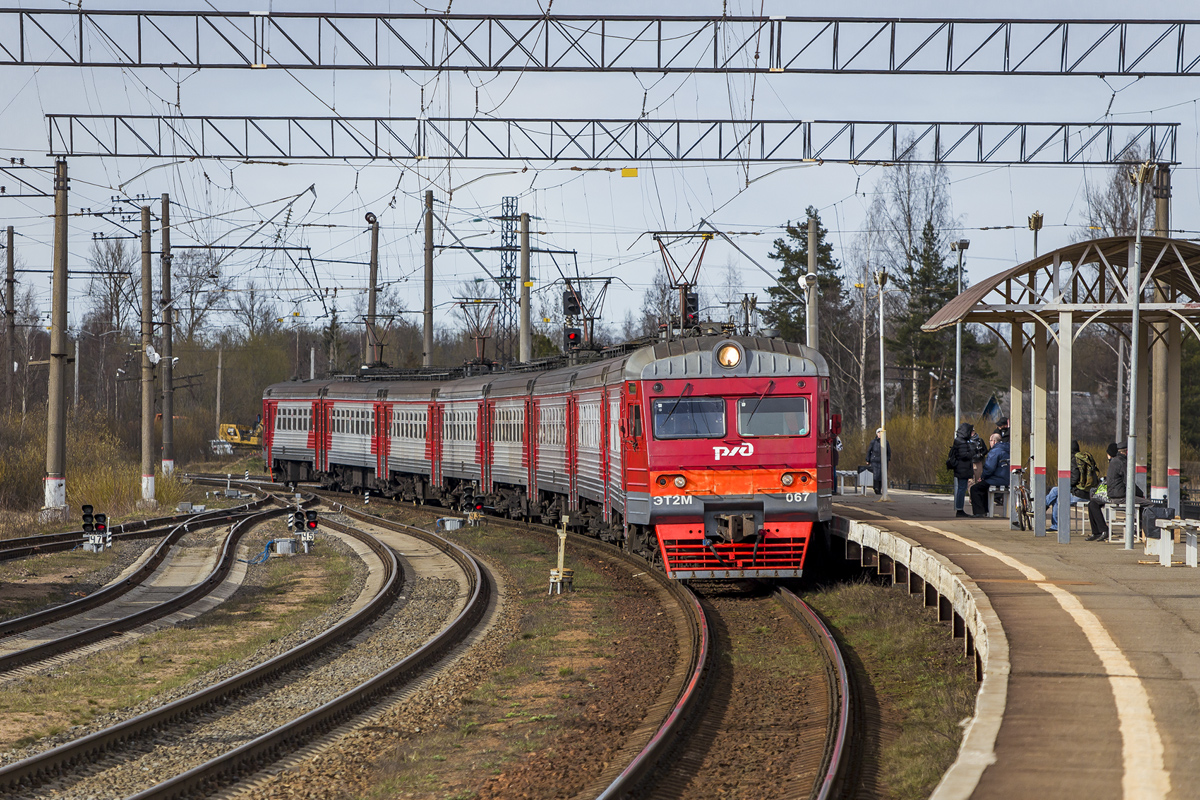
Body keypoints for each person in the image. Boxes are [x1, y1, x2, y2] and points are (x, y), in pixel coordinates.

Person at [1087, 442, 1143, 541]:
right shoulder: (1122, 462)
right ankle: (1142, 530)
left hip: (1113, 494)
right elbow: (1128, 482)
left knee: (1092, 503)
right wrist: (1140, 494)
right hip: (1117, 495)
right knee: (1148, 503)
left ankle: (1102, 531)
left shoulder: (1115, 462)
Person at [1045, 440, 1091, 532]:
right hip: (1085, 492)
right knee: (1055, 492)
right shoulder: (1082, 459)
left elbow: (1074, 479)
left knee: (1057, 495)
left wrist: (1064, 485)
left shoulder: (1074, 460)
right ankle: (1044, 510)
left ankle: (1041, 509)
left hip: (1079, 493)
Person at [970, 432, 1010, 516]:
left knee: (975, 488)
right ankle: (985, 511)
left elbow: (989, 468)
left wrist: (983, 476)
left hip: (997, 479)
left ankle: (980, 512)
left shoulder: (995, 451)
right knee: (983, 487)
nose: (990, 443)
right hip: (1007, 479)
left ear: (994, 441)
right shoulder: (1008, 449)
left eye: (990, 441)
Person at [946, 422, 977, 518]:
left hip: (960, 468)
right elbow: (964, 455)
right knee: (962, 489)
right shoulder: (962, 442)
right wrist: (973, 451)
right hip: (962, 468)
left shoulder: (959, 440)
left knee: (961, 488)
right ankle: (959, 509)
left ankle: (959, 509)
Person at [867, 428, 891, 495]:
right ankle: (875, 487)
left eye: (881, 433)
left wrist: (888, 459)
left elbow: (889, 452)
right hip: (874, 461)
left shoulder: (886, 442)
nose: (880, 434)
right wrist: (867, 459)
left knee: (881, 475)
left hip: (883, 461)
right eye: (879, 433)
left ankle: (879, 489)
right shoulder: (873, 442)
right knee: (875, 475)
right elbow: (869, 451)